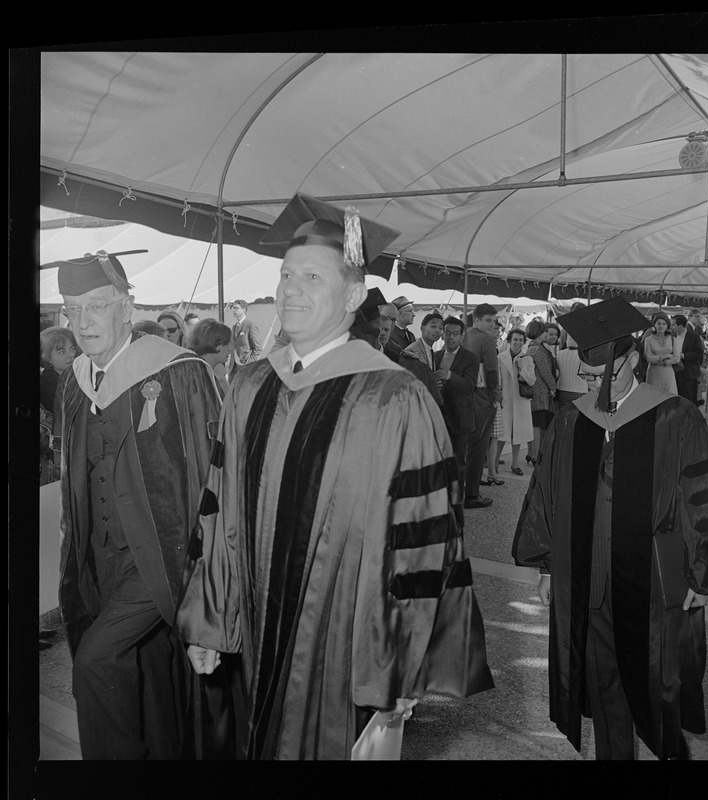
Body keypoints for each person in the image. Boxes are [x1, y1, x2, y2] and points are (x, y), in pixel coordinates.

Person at [175, 193, 493, 760]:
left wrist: (396, 666)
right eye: (285, 275)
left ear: (352, 296)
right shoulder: (249, 386)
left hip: (344, 647)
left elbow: (421, 542)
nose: (290, 289)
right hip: (252, 630)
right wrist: (211, 619)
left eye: (311, 277)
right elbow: (218, 504)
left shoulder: (396, 397)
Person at [512, 296, 708, 761]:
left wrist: (707, 574)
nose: (593, 386)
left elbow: (705, 497)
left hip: (652, 581)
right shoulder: (574, 419)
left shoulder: (676, 416)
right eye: (588, 377)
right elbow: (547, 496)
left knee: (658, 688)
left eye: (602, 375)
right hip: (587, 579)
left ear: (632, 360)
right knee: (603, 686)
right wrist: (548, 568)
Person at [49, 250, 233, 760]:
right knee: (150, 676)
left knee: (95, 661)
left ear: (125, 307)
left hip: (164, 556)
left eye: (96, 306)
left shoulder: (179, 372)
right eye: (71, 310)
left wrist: (213, 585)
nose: (82, 322)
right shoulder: (76, 380)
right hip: (101, 556)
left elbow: (213, 476)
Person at [461, 303, 501, 509]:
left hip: (463, 397)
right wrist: (496, 397)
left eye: (493, 321)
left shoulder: (463, 336)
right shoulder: (486, 340)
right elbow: (492, 373)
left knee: (465, 446)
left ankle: (462, 490)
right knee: (478, 447)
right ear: (476, 319)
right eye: (488, 320)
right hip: (482, 398)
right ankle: (472, 493)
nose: (491, 325)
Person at [434, 316, 479, 489]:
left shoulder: (470, 358)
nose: (450, 337)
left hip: (460, 418)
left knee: (458, 463)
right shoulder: (435, 355)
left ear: (462, 336)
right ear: (442, 334)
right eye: (447, 333)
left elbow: (469, 386)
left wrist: (449, 376)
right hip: (439, 418)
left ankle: (457, 502)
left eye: (455, 333)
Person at [496, 328, 533, 476]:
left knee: (517, 434)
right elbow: (498, 379)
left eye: (520, 340)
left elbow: (532, 380)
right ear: (509, 341)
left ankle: (515, 463)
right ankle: (495, 462)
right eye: (515, 339)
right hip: (505, 400)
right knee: (502, 434)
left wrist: (521, 369)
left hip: (520, 401)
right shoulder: (501, 357)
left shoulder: (527, 359)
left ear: (524, 342)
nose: (517, 342)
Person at [525, 319, 557, 467]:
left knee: (533, 424)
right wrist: (553, 387)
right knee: (537, 425)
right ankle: (536, 455)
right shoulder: (539, 350)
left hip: (533, 391)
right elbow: (544, 371)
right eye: (544, 331)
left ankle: (531, 453)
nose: (546, 333)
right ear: (539, 333)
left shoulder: (531, 347)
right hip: (539, 391)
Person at [398, 311, 444, 408]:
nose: (437, 331)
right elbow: (409, 382)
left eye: (440, 328)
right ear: (422, 328)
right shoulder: (411, 351)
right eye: (433, 326)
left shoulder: (431, 352)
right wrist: (433, 383)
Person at [483, 319, 506, 486]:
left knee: (494, 436)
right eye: (494, 329)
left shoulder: (495, 349)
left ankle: (492, 471)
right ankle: (486, 472)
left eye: (499, 329)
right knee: (485, 437)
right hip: (485, 397)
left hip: (495, 397)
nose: (497, 332)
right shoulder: (483, 347)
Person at [188, 318, 234, 398]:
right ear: (215, 346)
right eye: (227, 343)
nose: (231, 348)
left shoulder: (218, 371)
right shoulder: (195, 377)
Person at [40, 326, 79, 414]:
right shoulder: (43, 385)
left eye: (72, 349)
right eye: (62, 352)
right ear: (47, 357)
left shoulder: (81, 375)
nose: (71, 355)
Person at [670, 314, 704, 404]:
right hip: (673, 371)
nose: (671, 327)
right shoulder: (671, 336)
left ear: (680, 326)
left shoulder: (694, 336)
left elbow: (699, 354)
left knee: (688, 398)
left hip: (688, 372)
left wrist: (683, 355)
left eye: (673, 325)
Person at [643, 312, 679, 394]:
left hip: (668, 373)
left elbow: (677, 358)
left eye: (664, 324)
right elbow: (649, 358)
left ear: (667, 325)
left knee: (669, 398)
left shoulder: (673, 339)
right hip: (653, 373)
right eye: (658, 323)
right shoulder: (648, 339)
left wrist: (666, 362)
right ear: (654, 325)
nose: (661, 326)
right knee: (653, 397)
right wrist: (665, 356)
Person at [228, 299, 263, 378]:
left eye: (236, 308)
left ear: (243, 310)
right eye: (232, 308)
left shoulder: (250, 325)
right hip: (233, 368)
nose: (233, 310)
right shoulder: (234, 327)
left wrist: (249, 362)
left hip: (246, 367)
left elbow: (258, 348)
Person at [555, 327, 587, 408]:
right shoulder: (583, 355)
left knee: (564, 415)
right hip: (580, 391)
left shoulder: (559, 354)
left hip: (563, 390)